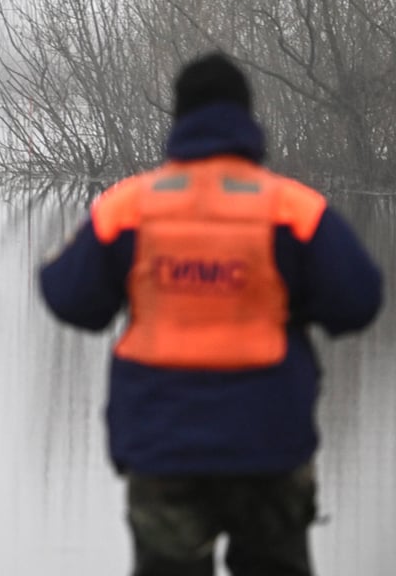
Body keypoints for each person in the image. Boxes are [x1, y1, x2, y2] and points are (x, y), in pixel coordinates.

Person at [38, 50, 384, 576]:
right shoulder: (293, 209)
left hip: (162, 448)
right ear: (248, 119)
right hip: (269, 445)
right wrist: (295, 303)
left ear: (178, 119)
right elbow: (359, 301)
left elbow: (71, 299)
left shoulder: (128, 207)